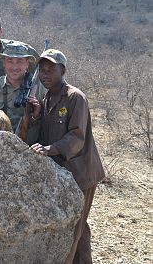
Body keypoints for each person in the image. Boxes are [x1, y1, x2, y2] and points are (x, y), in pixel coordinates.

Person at [29, 49, 105, 264]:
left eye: (50, 70)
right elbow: (47, 131)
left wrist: (50, 149)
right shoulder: (46, 97)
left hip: (81, 173)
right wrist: (36, 117)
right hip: (64, 173)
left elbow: (77, 136)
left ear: (63, 70)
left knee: (74, 230)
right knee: (80, 225)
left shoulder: (75, 97)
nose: (45, 75)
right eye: (42, 71)